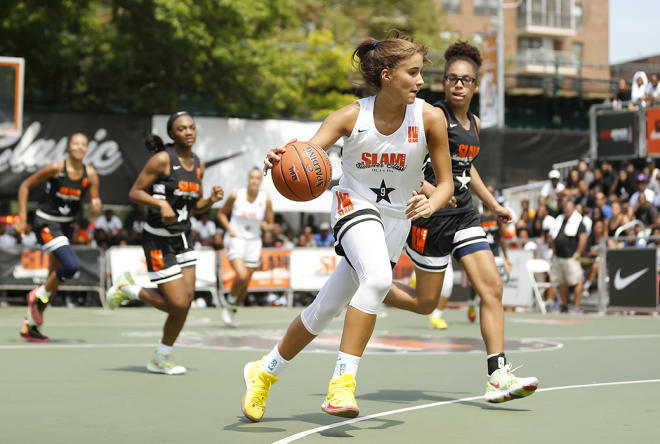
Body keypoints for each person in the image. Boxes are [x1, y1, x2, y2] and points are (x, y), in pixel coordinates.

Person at [240, 34, 453, 422]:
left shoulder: (430, 117)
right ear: (387, 76)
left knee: (326, 308)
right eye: (414, 72)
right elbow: (305, 156)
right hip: (353, 206)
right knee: (376, 280)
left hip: (395, 221)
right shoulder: (349, 117)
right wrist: (279, 158)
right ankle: (342, 384)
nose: (422, 81)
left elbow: (446, 184)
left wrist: (432, 201)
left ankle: (264, 371)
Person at [381, 41, 538, 403]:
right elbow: (403, 163)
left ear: (476, 85)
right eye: (452, 78)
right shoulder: (428, 116)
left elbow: (468, 168)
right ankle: (370, 288)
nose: (458, 85)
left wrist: (494, 204)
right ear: (444, 82)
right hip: (431, 218)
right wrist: (433, 189)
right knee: (425, 303)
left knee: (492, 288)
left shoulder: (475, 124)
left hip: (466, 215)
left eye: (466, 80)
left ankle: (497, 375)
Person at [106, 111, 223, 374]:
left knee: (187, 301)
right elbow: (135, 192)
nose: (188, 132)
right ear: (172, 134)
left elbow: (192, 207)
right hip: (158, 240)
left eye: (191, 127)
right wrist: (159, 202)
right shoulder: (162, 160)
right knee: (178, 304)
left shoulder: (199, 164)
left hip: (183, 237)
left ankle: (161, 357)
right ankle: (129, 288)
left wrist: (211, 200)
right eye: (182, 129)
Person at [13, 133, 102, 342]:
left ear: (87, 149)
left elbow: (95, 204)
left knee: (54, 279)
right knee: (71, 266)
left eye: (83, 144)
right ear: (68, 147)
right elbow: (25, 186)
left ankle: (31, 325)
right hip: (46, 222)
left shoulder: (90, 175)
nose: (80, 147)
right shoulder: (56, 168)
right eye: (75, 143)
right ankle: (35, 295)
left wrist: (96, 208)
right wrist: (22, 218)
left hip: (66, 226)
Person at [217, 167, 274, 328]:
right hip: (236, 240)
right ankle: (229, 305)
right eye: (252, 177)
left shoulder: (265, 199)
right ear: (248, 179)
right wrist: (229, 229)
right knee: (241, 276)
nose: (254, 180)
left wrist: (266, 226)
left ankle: (232, 309)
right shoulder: (236, 196)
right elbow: (221, 213)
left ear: (260, 181)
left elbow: (271, 224)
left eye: (257, 178)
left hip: (254, 242)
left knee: (245, 283)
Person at [550, 199, 587, 312]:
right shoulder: (559, 220)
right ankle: (564, 305)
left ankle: (577, 305)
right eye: (565, 207)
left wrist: (578, 253)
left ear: (573, 208)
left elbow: (583, 238)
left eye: (569, 207)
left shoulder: (579, 222)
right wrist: (554, 250)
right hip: (559, 257)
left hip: (571, 257)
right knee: (562, 282)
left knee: (576, 281)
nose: (567, 209)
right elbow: (553, 237)